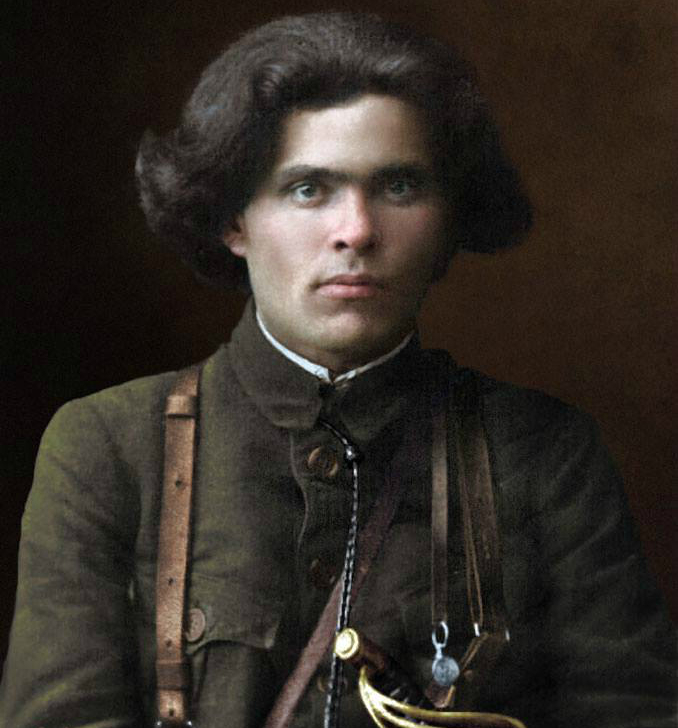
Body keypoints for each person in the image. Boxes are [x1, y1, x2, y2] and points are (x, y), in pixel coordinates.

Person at [1, 11, 674, 728]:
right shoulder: (108, 450)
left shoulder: (545, 454)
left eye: (399, 187)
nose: (356, 230)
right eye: (308, 189)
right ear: (233, 219)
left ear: (447, 219)